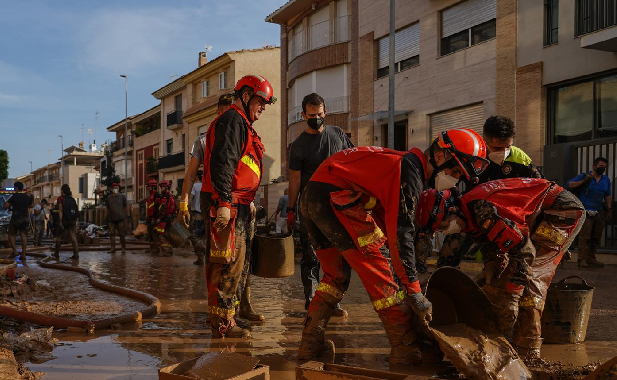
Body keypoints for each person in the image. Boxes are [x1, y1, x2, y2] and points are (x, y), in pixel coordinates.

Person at [298, 129, 490, 363]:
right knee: (381, 277)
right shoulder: (409, 171)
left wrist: (404, 275)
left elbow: (388, 226)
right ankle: (405, 346)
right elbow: (402, 234)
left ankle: (310, 345)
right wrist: (414, 291)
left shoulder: (398, 164)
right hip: (336, 197)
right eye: (455, 171)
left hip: (313, 197)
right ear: (440, 157)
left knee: (335, 276)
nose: (455, 179)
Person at [417, 178, 585, 360]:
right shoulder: (468, 213)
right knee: (510, 276)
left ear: (451, 211)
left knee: (533, 276)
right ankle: (511, 335)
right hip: (540, 211)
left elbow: (524, 253)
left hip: (561, 211)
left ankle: (528, 349)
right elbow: (493, 247)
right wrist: (492, 267)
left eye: (442, 226)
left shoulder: (483, 211)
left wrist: (513, 295)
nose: (445, 231)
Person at [204, 75, 275, 339]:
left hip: (240, 204)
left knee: (236, 266)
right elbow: (223, 163)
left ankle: (228, 319)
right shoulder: (233, 120)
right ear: (246, 96)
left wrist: (250, 200)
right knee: (226, 265)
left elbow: (243, 166)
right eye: (261, 101)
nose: (263, 107)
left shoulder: (241, 122)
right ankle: (222, 325)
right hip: (229, 205)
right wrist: (224, 202)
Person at [432, 116, 541, 269]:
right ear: (485, 140)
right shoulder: (471, 157)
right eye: (497, 149)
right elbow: (451, 184)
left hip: (507, 220)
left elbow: (541, 190)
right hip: (472, 216)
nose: (503, 152)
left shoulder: (522, 161)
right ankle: (445, 279)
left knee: (510, 261)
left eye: (507, 147)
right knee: (449, 253)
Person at [287, 93, 354, 312]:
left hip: (338, 206)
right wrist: (290, 209)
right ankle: (313, 302)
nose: (316, 117)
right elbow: (295, 179)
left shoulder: (338, 134)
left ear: (325, 112)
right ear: (303, 115)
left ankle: (332, 300)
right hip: (310, 209)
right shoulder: (297, 146)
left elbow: (351, 162)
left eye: (320, 113)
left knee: (340, 255)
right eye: (312, 115)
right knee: (311, 256)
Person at [180, 94, 235, 264]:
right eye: (227, 113)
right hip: (211, 199)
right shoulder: (203, 141)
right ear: (219, 112)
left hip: (236, 199)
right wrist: (183, 204)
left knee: (238, 250)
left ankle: (240, 289)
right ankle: (215, 285)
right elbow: (190, 175)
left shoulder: (241, 139)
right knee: (215, 249)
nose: (231, 118)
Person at [567, 157, 612, 268]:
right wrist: (583, 181)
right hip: (585, 210)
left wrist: (609, 208)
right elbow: (569, 185)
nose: (603, 168)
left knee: (596, 236)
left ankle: (591, 258)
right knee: (584, 236)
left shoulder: (606, 180)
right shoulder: (584, 176)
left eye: (604, 167)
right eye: (601, 166)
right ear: (594, 166)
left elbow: (608, 195)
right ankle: (581, 259)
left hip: (599, 210)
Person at [5, 181, 34, 260]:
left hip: (16, 217)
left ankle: (14, 251)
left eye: (15, 187)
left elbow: (6, 206)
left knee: (11, 234)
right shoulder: (27, 197)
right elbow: (31, 205)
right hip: (25, 218)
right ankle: (23, 254)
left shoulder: (14, 196)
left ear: (17, 188)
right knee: (23, 235)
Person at [53, 184, 80, 260]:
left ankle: (56, 253)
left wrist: (60, 220)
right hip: (72, 220)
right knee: (73, 238)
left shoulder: (60, 199)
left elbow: (60, 210)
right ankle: (76, 254)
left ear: (62, 191)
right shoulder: (72, 199)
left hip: (64, 221)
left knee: (59, 237)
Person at [105, 183, 127, 253]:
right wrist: (106, 217)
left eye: (116, 187)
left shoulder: (122, 196)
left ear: (118, 188)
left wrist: (125, 217)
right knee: (112, 234)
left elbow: (125, 206)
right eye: (114, 187)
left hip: (120, 218)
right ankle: (112, 248)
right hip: (111, 219)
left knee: (122, 234)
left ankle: (123, 248)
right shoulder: (109, 198)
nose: (115, 189)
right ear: (111, 189)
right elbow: (107, 208)